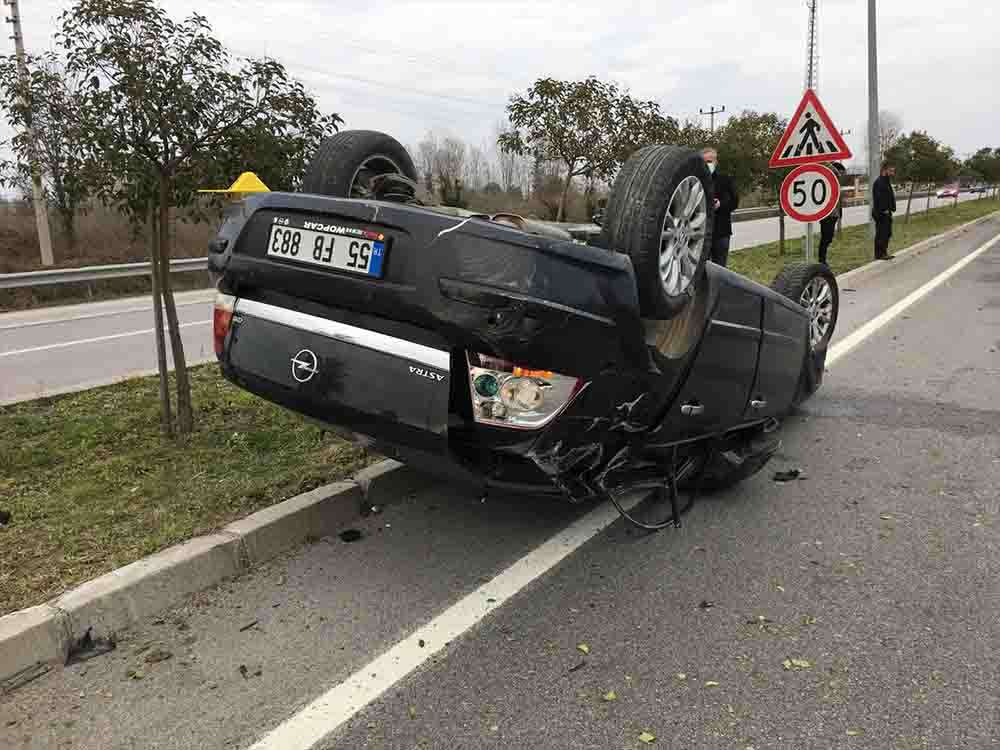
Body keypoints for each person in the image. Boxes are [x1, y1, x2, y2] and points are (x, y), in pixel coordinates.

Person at [702, 148, 739, 267]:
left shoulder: (725, 180)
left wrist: (720, 205)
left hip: (721, 233)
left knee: (720, 268)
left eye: (710, 161)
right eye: (704, 162)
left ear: (716, 162)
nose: (707, 165)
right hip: (700, 235)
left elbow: (734, 202)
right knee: (701, 269)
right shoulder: (696, 180)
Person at [818, 162, 847, 266]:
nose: (841, 176)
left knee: (828, 238)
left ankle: (822, 259)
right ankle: (822, 260)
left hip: (833, 215)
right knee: (825, 238)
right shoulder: (828, 181)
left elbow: (838, 201)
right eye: (841, 173)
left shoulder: (836, 183)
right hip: (827, 215)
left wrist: (839, 214)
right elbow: (829, 166)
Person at [872, 161, 897, 260]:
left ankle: (884, 252)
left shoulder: (886, 181)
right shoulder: (879, 182)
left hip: (886, 212)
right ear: (884, 170)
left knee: (886, 233)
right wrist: (884, 210)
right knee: (881, 233)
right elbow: (878, 198)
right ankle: (879, 254)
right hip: (881, 213)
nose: (893, 173)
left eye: (893, 171)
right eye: (891, 171)